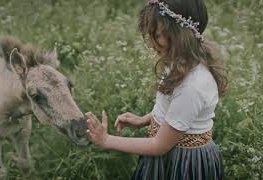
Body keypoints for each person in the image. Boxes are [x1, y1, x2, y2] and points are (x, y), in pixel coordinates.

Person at [86, 0, 228, 179]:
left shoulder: (192, 86)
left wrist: (107, 140)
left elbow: (159, 145)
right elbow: (173, 112)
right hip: (170, 152)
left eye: (156, 35)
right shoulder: (179, 62)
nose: (151, 44)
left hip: (184, 163)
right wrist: (145, 120)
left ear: (179, 34)